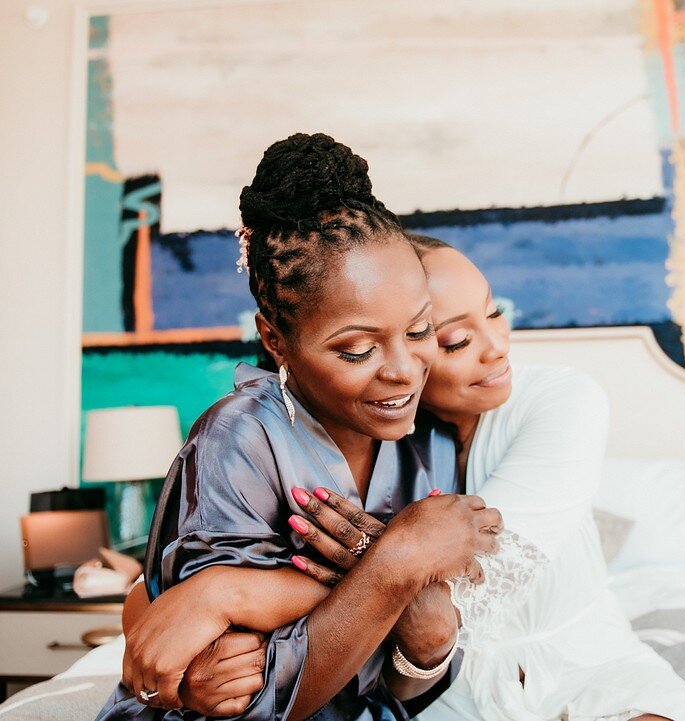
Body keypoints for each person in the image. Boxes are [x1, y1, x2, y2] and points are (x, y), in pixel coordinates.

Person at [95, 132, 502, 721]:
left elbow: (415, 678)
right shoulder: (237, 442)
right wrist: (399, 562)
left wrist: (421, 635)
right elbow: (252, 701)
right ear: (275, 339)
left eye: (419, 332)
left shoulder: (433, 437)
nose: (404, 371)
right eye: (358, 349)